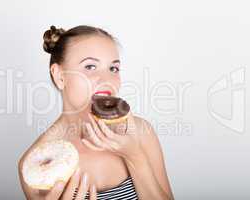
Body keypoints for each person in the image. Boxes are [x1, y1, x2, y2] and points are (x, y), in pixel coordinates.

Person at [18, 25, 174, 200]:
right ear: (59, 76)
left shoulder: (140, 132)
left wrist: (134, 156)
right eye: (90, 66)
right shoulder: (36, 167)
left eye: (113, 69)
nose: (107, 80)